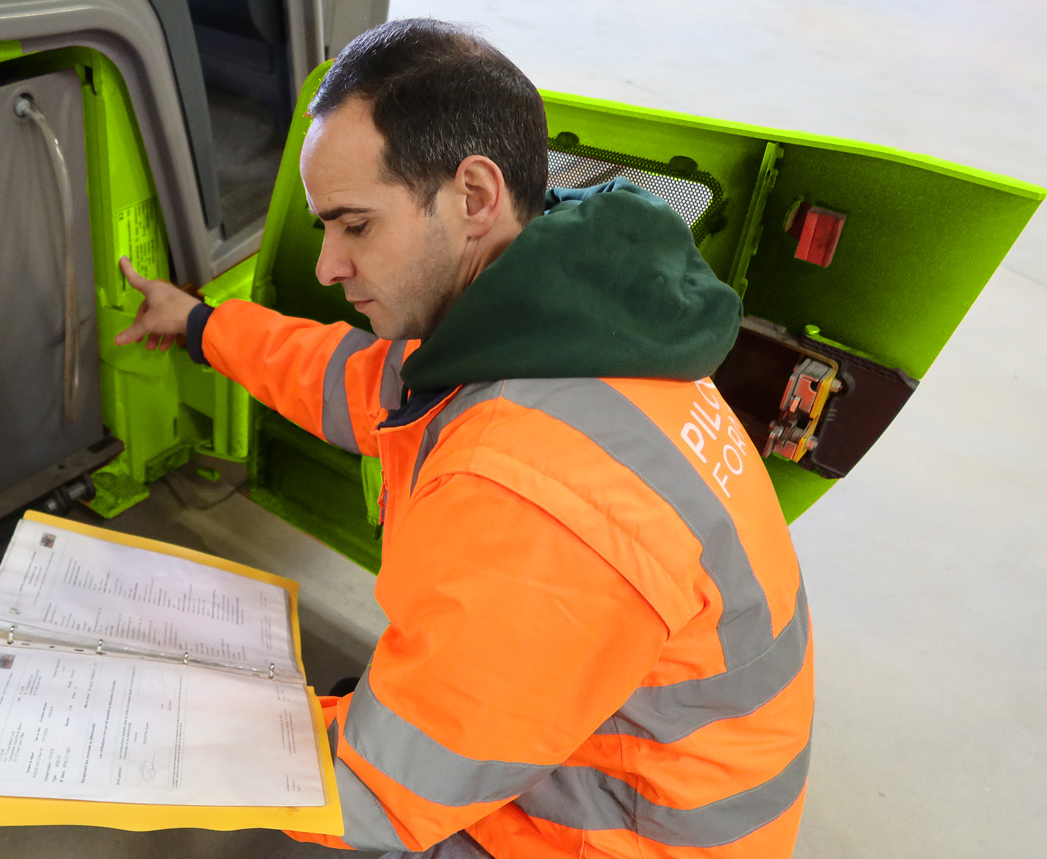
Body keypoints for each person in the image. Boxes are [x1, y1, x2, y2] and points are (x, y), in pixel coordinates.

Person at [114, 18, 812, 859]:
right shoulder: (561, 322)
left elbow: (373, 794)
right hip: (603, 762)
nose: (329, 265)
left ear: (474, 196)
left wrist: (142, 724)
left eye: (355, 226)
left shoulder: (535, 489)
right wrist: (200, 324)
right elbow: (352, 382)